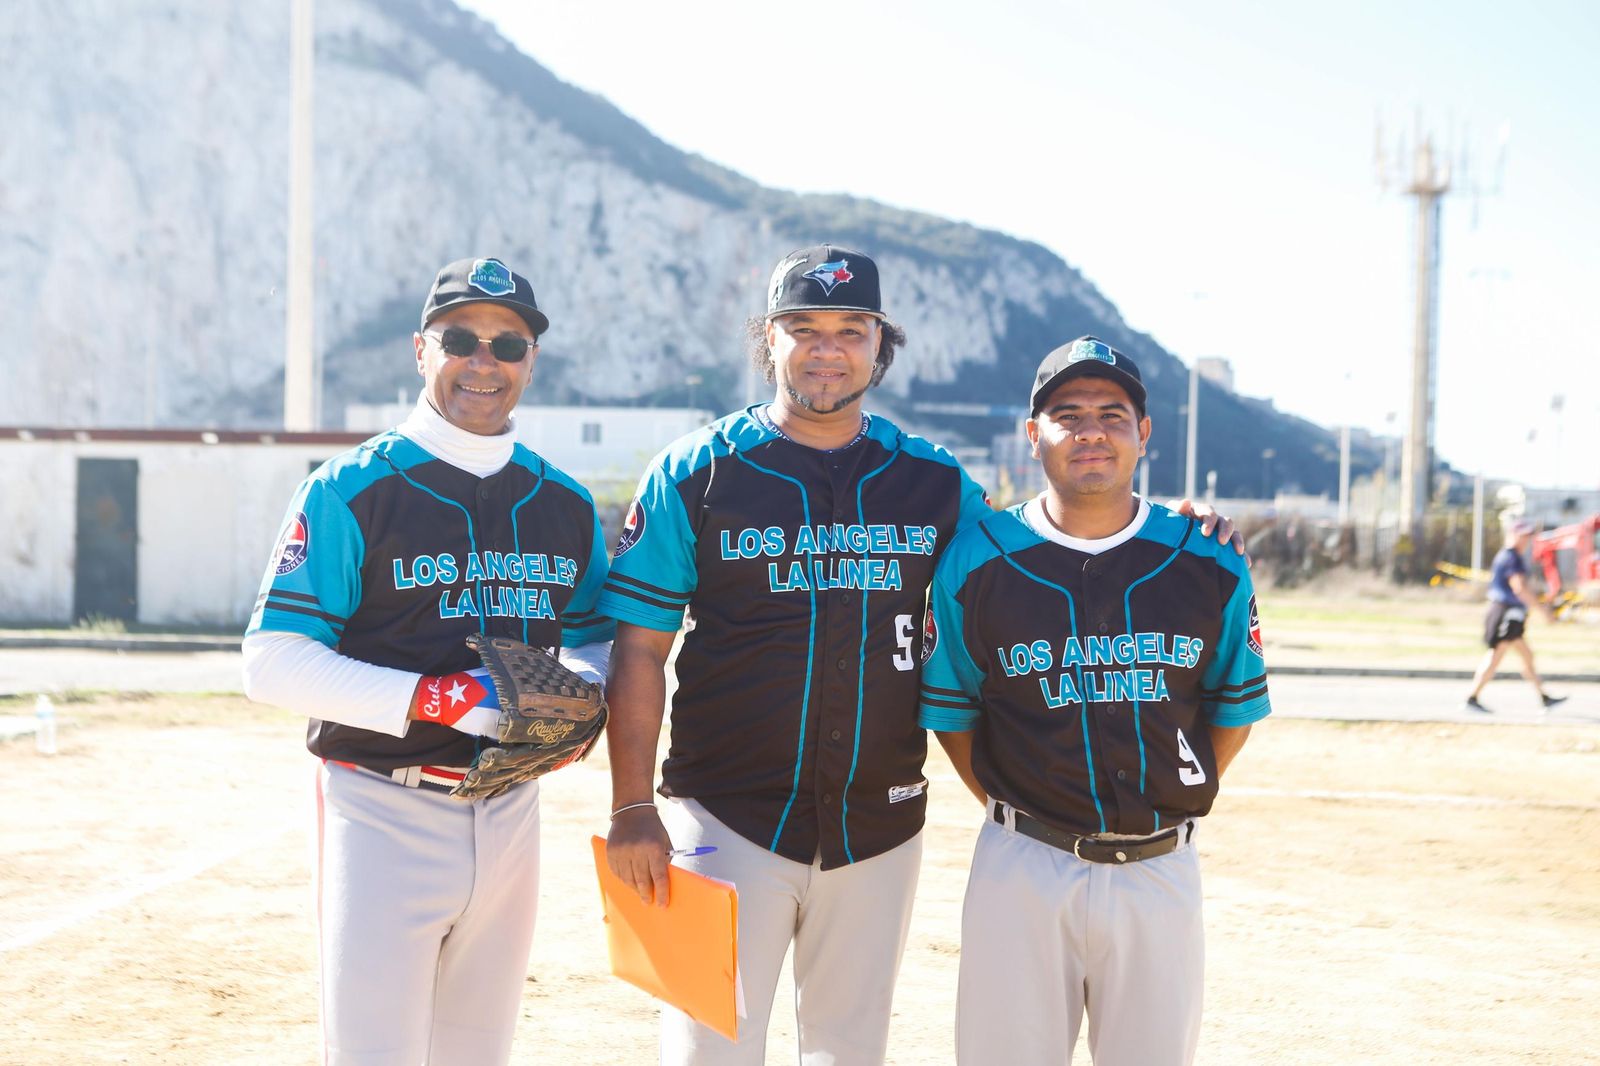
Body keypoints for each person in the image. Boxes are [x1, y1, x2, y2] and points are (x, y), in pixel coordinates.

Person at [599, 248, 1239, 1066]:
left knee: (847, 1052)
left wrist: (1170, 521)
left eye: (850, 329)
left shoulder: (934, 482)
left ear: (880, 343)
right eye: (803, 328)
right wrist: (630, 808)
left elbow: (1043, 541)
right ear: (769, 340)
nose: (826, 348)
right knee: (702, 1051)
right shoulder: (695, 473)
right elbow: (640, 652)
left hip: (878, 828)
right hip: (718, 818)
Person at [241, 257, 614, 1065]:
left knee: (478, 1052)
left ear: (531, 360)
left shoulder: (565, 503)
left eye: (507, 345)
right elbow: (270, 661)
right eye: (460, 339)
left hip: (513, 809)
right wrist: (437, 697)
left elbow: (595, 636)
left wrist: (586, 686)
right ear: (421, 350)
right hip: (383, 804)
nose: (485, 362)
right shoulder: (350, 489)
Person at [919, 335, 1271, 1065]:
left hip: (1158, 866)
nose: (1090, 431)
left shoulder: (1207, 557)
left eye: (1112, 414)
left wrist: (1163, 796)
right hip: (1022, 862)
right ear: (1033, 435)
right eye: (1067, 413)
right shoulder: (977, 559)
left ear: (1143, 433)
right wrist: (1020, 805)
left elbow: (1229, 714)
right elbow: (953, 714)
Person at [1465, 518, 1565, 713]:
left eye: (1529, 535)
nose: (1527, 539)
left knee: (1526, 655)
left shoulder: (1508, 556)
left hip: (1509, 613)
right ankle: (1472, 698)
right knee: (1496, 657)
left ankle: (1544, 697)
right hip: (1506, 614)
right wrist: (1544, 611)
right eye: (1524, 535)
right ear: (1514, 535)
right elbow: (1519, 588)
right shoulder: (1512, 558)